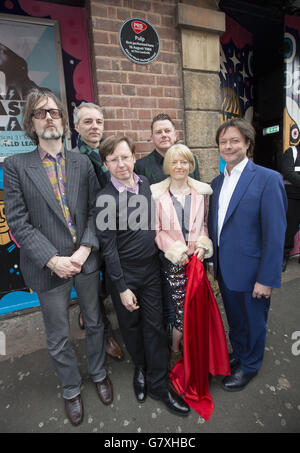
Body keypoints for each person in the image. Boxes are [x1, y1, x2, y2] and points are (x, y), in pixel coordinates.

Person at [3, 88, 113, 426]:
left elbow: (98, 209)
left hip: (84, 260)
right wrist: (53, 259)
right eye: (40, 113)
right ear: (31, 124)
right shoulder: (15, 166)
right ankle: (69, 388)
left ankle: (97, 372)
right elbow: (18, 222)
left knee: (94, 322)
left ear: (64, 121)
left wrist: (84, 249)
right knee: (58, 334)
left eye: (54, 112)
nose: (49, 117)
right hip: (48, 267)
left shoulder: (81, 162)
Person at [95, 134, 190, 416]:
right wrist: (122, 287)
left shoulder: (147, 185)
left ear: (134, 157)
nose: (121, 163)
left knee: (154, 325)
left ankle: (159, 384)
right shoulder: (104, 198)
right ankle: (141, 368)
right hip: (123, 275)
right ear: (105, 164)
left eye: (125, 157)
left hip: (151, 270)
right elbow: (108, 248)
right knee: (131, 327)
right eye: (114, 159)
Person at [208, 118, 287, 391]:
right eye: (223, 142)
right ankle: (240, 354)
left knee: (254, 323)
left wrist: (267, 278)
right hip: (226, 271)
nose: (228, 146)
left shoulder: (268, 179)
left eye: (234, 141)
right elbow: (216, 226)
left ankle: (250, 365)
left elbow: (275, 235)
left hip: (254, 273)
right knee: (236, 321)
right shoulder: (217, 183)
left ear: (247, 144)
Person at [134, 113, 200, 336]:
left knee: (186, 295)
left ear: (175, 134)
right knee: (163, 294)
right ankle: (168, 337)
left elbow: (197, 199)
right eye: (158, 132)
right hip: (154, 242)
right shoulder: (141, 166)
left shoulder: (190, 160)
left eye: (167, 130)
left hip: (186, 244)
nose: (163, 135)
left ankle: (186, 339)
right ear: (151, 137)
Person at [150, 143, 213, 366]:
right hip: (174, 263)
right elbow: (157, 232)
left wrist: (203, 246)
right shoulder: (157, 194)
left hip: (197, 260)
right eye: (175, 162)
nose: (179, 166)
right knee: (180, 309)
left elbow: (203, 225)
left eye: (184, 161)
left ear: (190, 165)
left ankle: (192, 346)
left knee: (196, 306)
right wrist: (177, 253)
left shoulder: (201, 193)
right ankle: (176, 350)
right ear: (168, 165)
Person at [73, 101, 124, 361]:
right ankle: (105, 336)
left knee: (108, 281)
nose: (95, 126)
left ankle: (88, 309)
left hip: (113, 231)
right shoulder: (73, 159)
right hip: (89, 234)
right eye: (88, 121)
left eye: (99, 122)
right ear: (76, 126)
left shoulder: (108, 152)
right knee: (92, 288)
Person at [277, 144, 300, 271]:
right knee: (288, 230)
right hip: (292, 198)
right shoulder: (292, 152)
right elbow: (288, 172)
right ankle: (283, 256)